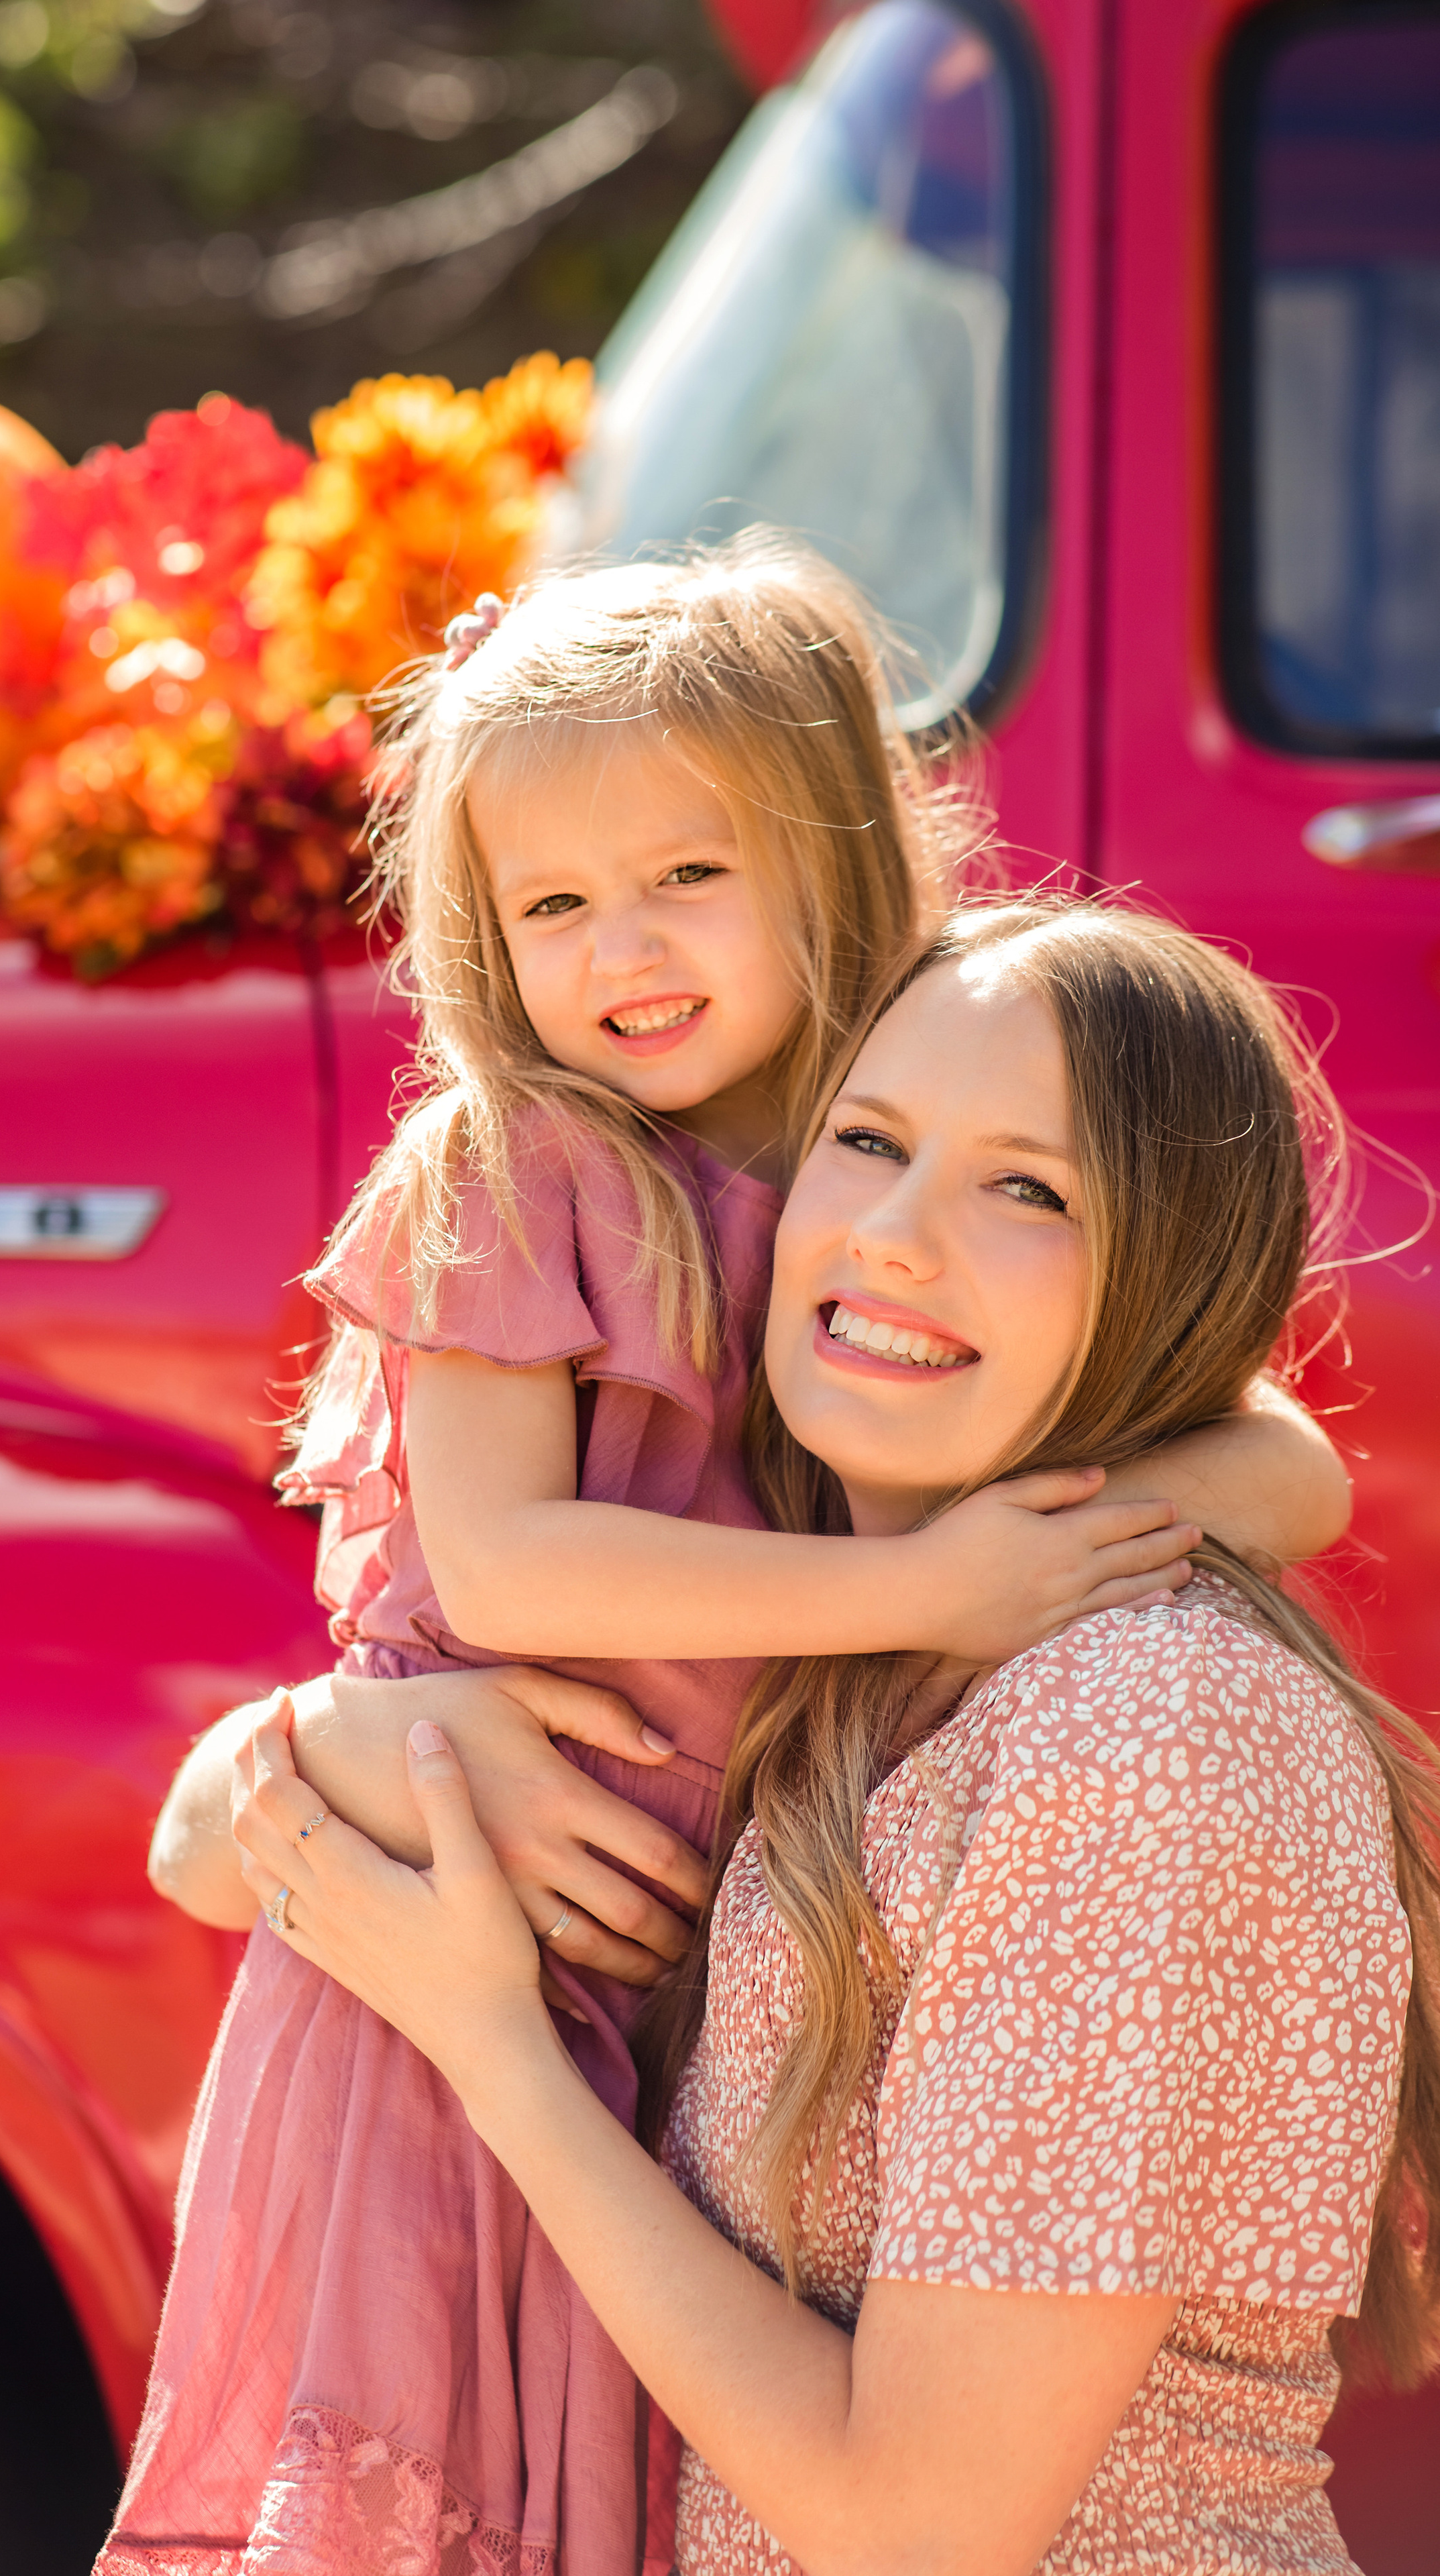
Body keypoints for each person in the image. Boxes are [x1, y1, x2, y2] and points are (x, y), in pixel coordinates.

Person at [106, 555, 1350, 2576]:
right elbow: (503, 1573)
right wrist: (939, 1587)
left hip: (685, 1959)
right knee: (451, 2474)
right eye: (554, 905)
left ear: (836, 862)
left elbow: (1288, 1474)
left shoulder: (890, 1151)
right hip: (468, 1953)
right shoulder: (513, 1167)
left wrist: (1089, 1521)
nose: (623, 952)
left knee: (636, 2469)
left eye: (686, 874)